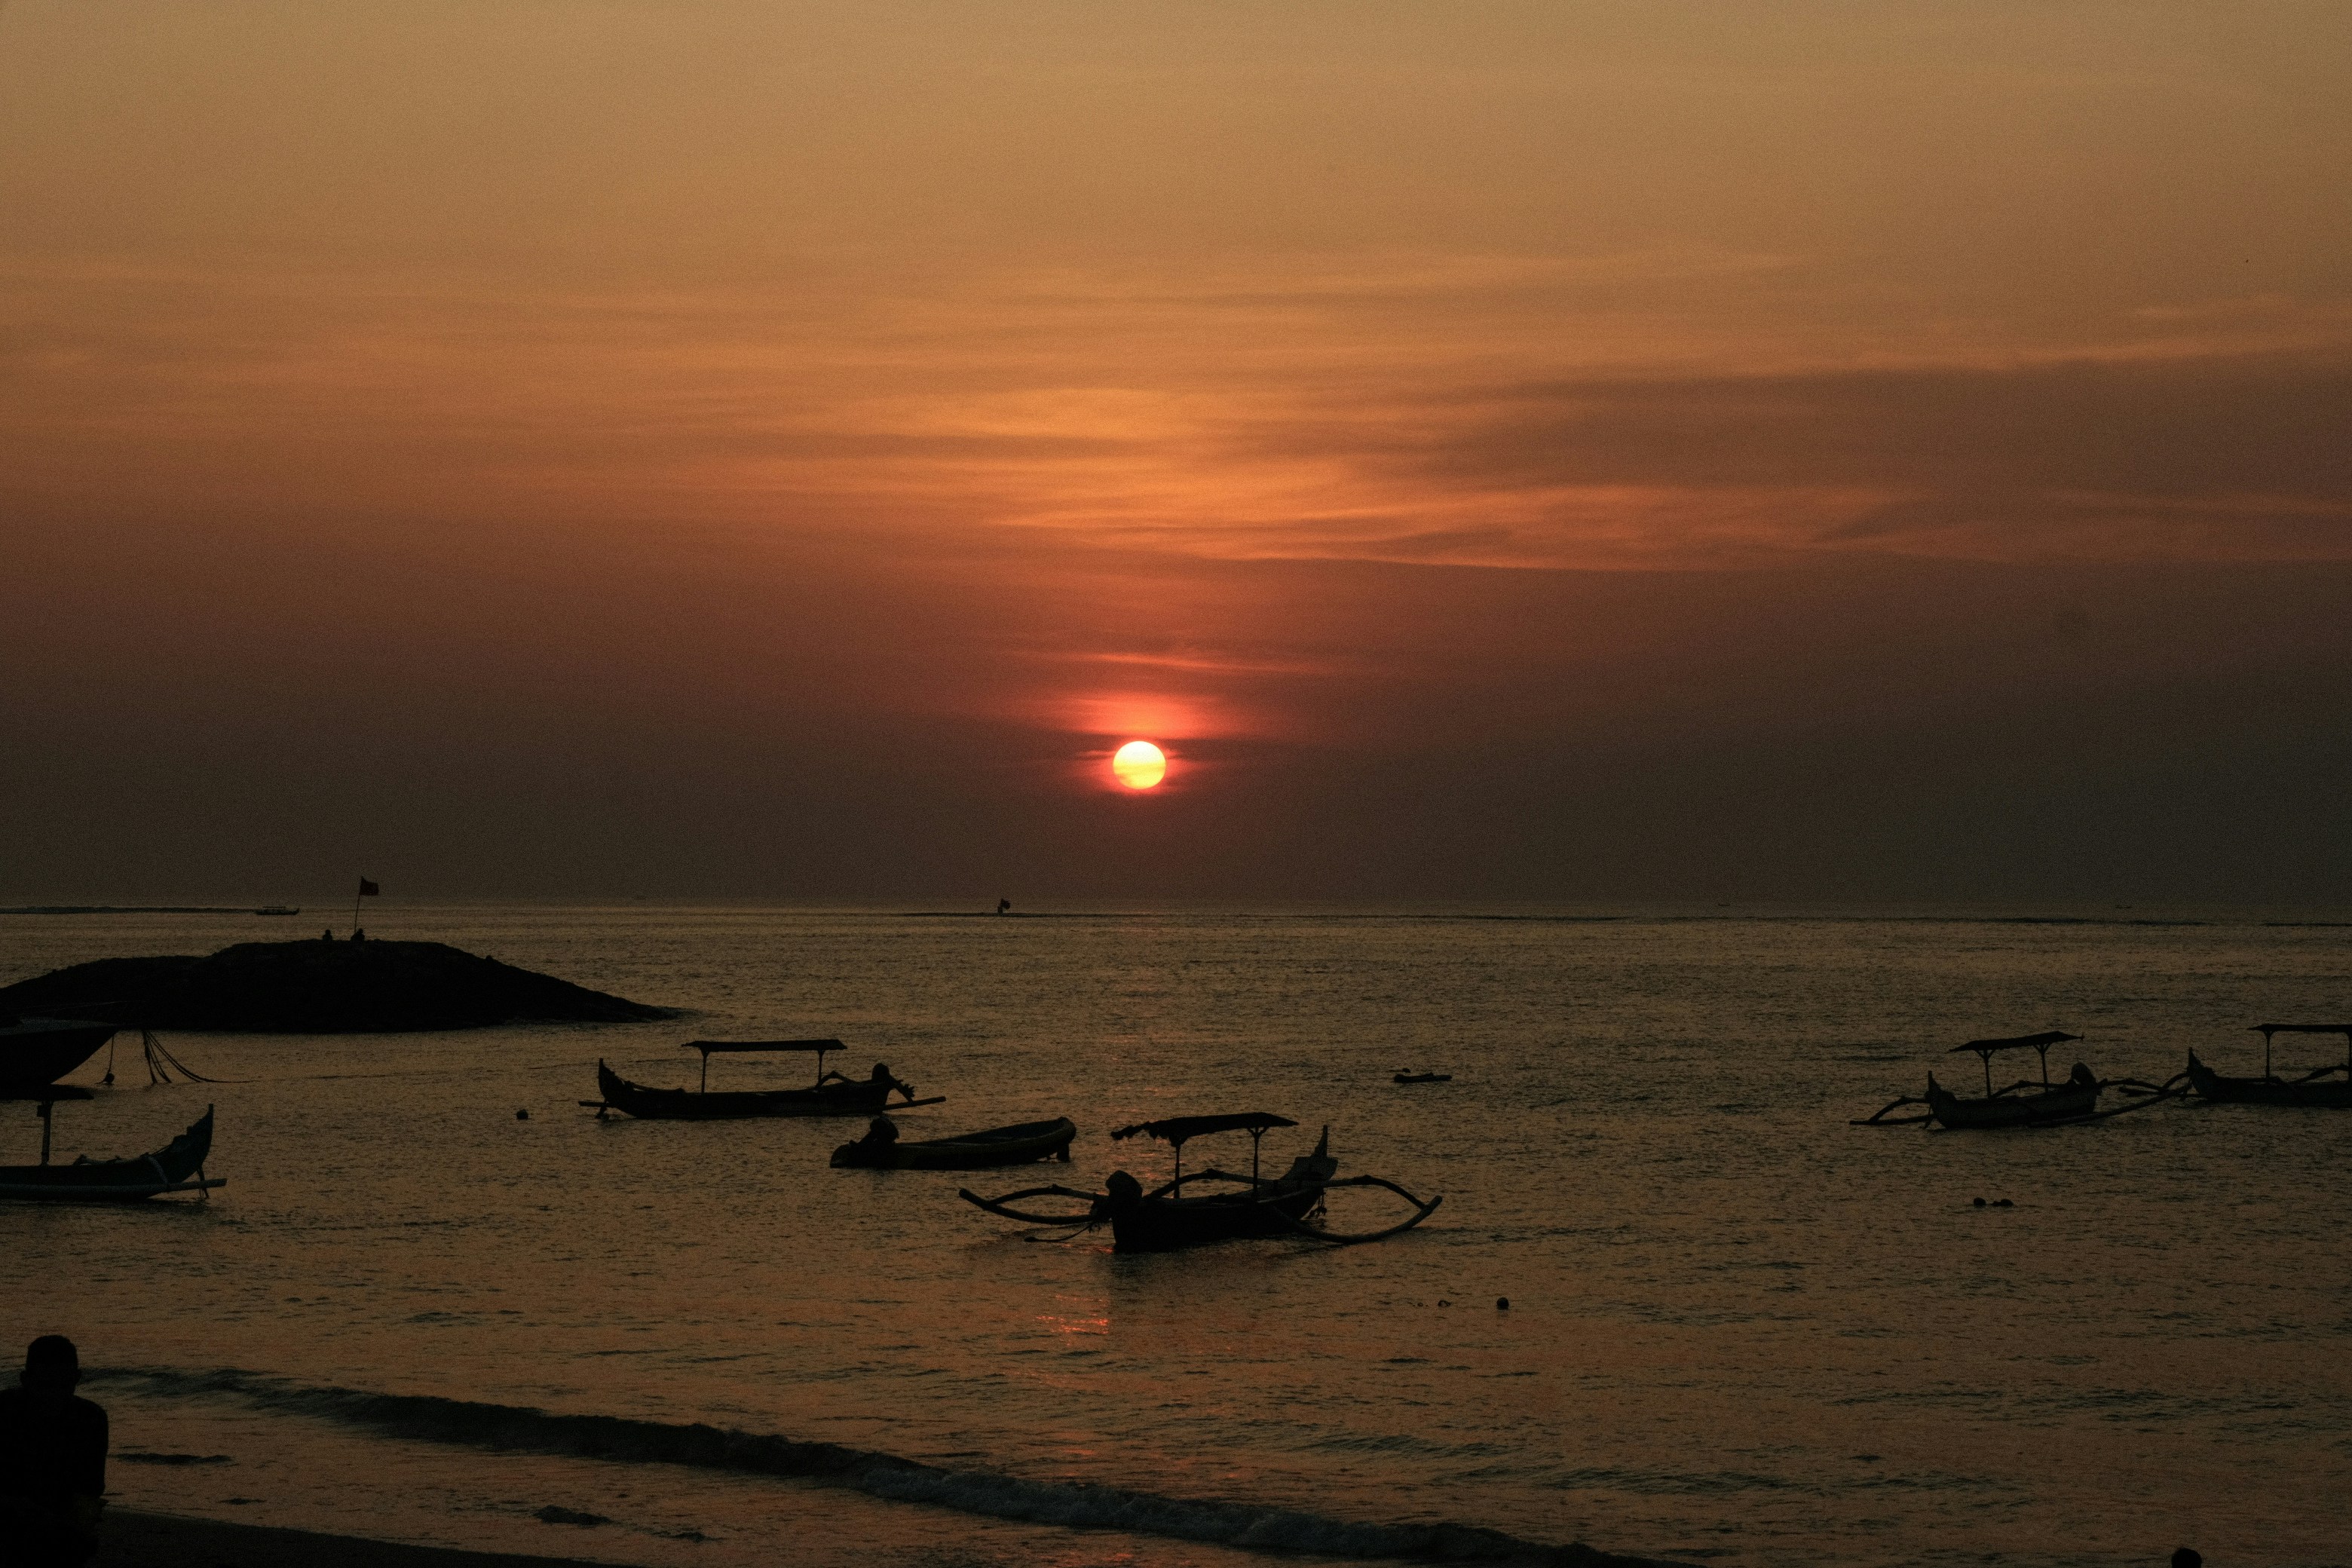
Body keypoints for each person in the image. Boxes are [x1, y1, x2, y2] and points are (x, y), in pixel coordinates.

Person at [0, 1335, 109, 1566]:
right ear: (25, 1380)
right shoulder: (4, 1413)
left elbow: (90, 1489)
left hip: (56, 1517)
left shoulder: (91, 1419)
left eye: (63, 1386)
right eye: (45, 1386)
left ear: (77, 1379)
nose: (54, 1395)